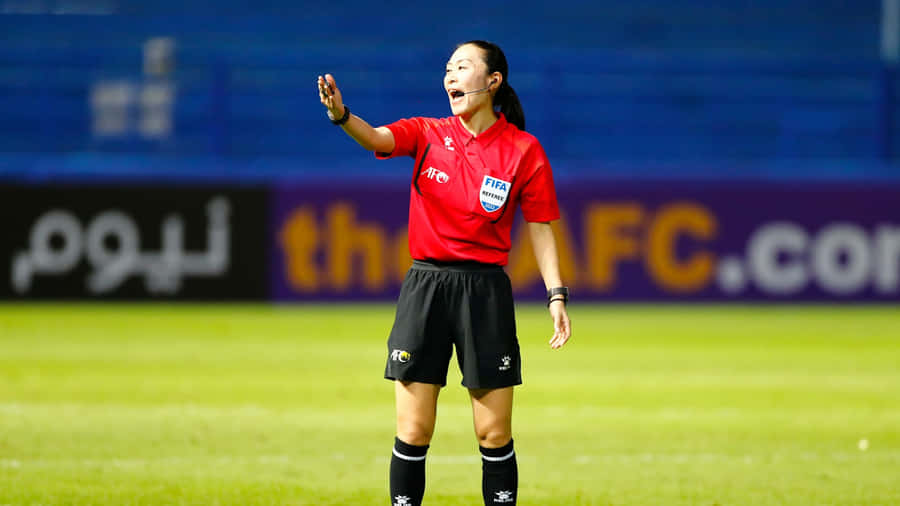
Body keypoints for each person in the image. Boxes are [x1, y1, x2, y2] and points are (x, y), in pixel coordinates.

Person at [317, 40, 572, 506]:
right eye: (448, 69)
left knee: (493, 433)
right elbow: (377, 138)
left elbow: (540, 226)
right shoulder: (427, 132)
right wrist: (341, 116)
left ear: (493, 81)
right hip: (426, 287)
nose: (450, 76)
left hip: (485, 292)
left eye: (463, 67)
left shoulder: (523, 150)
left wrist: (556, 295)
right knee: (413, 430)